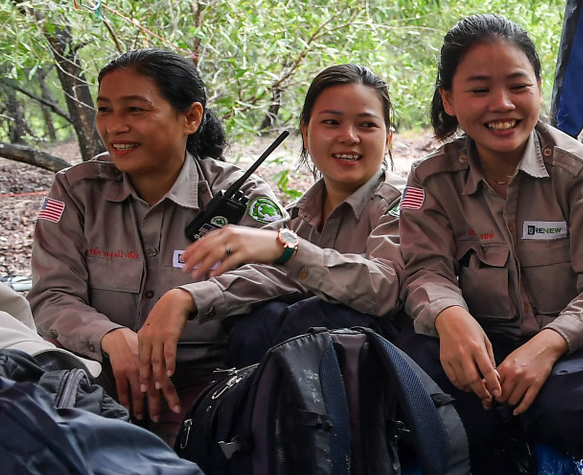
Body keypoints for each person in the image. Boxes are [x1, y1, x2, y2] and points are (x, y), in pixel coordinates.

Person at [396, 14, 583, 475]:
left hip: (570, 353)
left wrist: (547, 345)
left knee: (569, 396)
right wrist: (450, 317)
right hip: (485, 348)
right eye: (479, 89)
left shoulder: (579, 171)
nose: (502, 105)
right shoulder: (430, 179)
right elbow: (424, 269)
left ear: (539, 87)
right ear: (449, 100)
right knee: (414, 365)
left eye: (518, 86)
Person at [31, 48, 285, 426]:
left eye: (135, 110)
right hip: (93, 388)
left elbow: (283, 270)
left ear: (191, 117)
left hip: (214, 395)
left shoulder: (237, 194)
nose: (114, 126)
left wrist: (188, 298)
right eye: (104, 109)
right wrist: (110, 337)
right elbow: (52, 295)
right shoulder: (77, 191)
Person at [130, 64, 404, 368]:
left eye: (366, 125)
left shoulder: (402, 204)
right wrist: (188, 297)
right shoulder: (304, 213)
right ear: (306, 132)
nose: (348, 137)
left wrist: (285, 248)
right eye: (331, 122)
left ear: (388, 138)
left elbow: (386, 286)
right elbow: (274, 277)